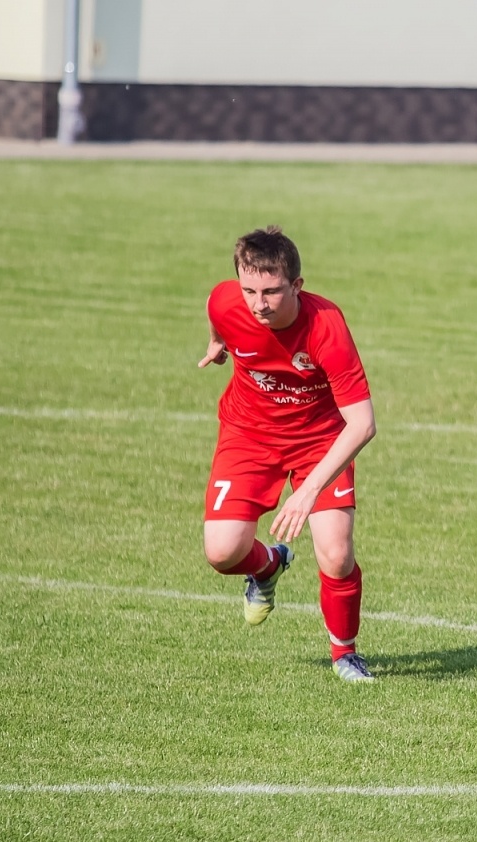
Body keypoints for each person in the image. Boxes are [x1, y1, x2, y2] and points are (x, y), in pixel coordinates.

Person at [199, 226, 377, 682]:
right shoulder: (228, 302)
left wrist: (308, 491)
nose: (259, 303)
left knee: (335, 553)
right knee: (221, 552)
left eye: (273, 291)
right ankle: (269, 565)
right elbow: (217, 308)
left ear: (297, 285)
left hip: (319, 440)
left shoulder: (326, 327)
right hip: (248, 435)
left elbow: (362, 423)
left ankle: (345, 655)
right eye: (250, 290)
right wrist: (218, 343)